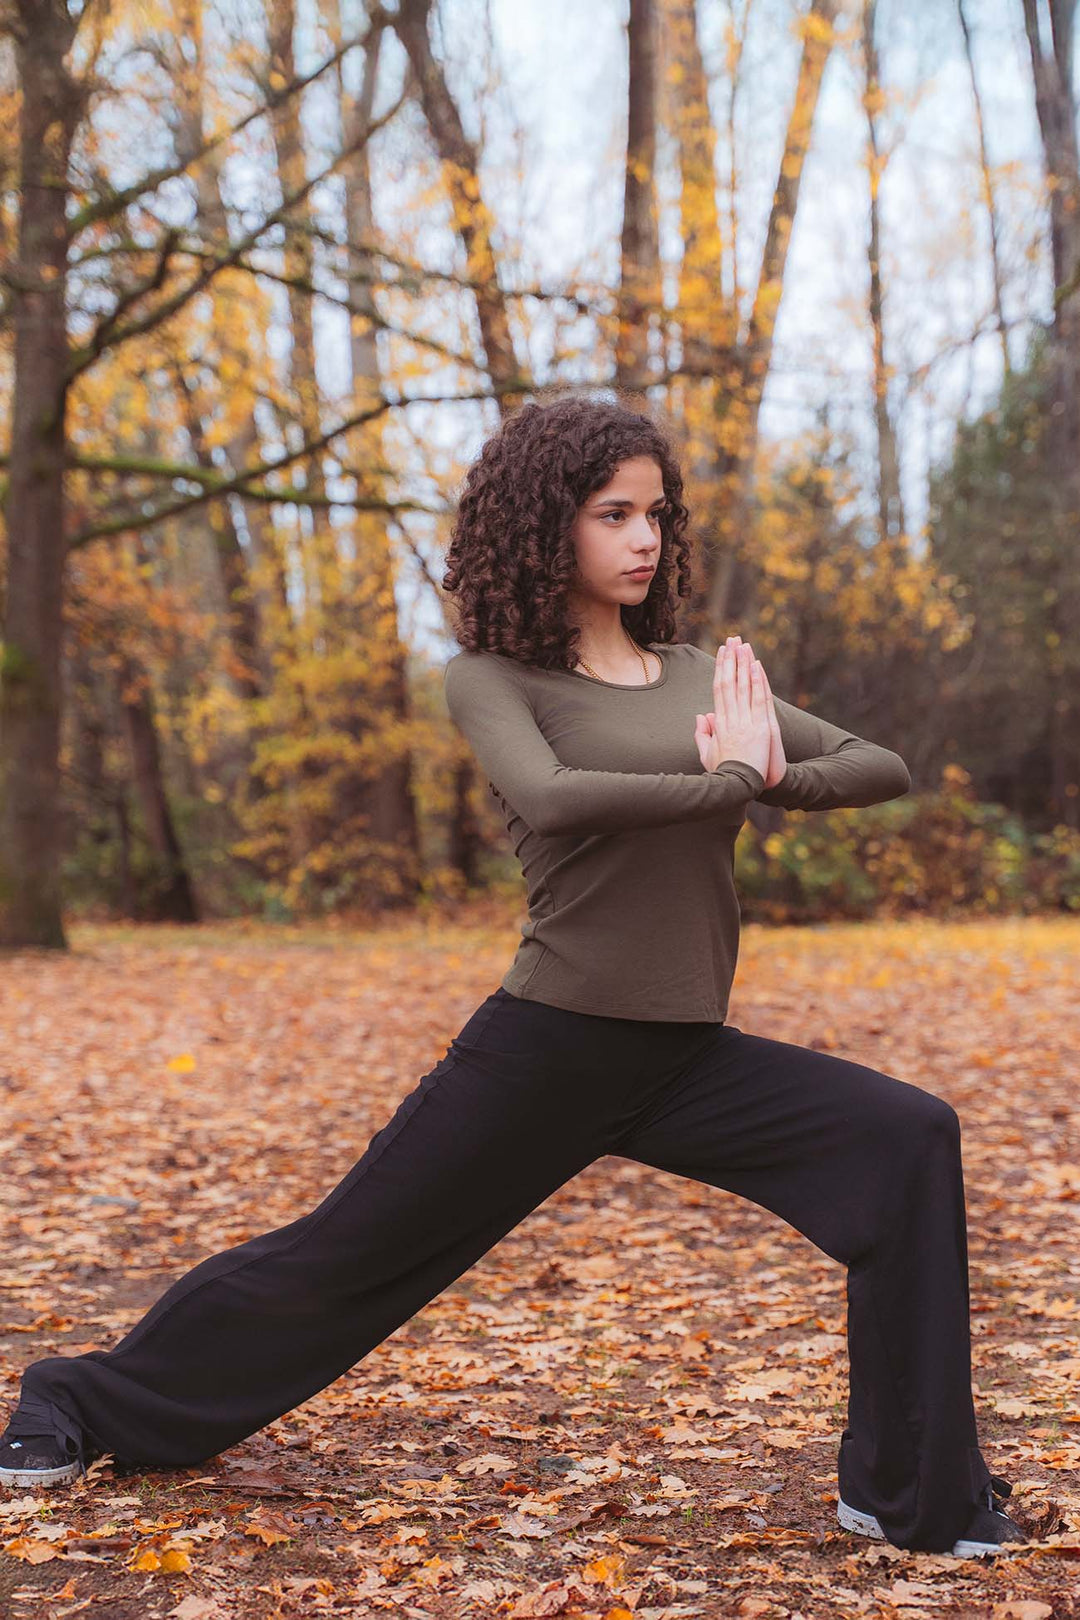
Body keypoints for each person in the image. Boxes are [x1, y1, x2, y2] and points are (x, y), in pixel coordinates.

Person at [0, 394, 1024, 1560]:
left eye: (656, 513)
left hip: (682, 1054)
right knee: (342, 1262)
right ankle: (76, 1399)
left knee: (905, 1138)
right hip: (548, 1046)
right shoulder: (494, 679)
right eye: (613, 514)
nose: (644, 537)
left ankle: (907, 1491)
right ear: (549, 529)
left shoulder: (700, 679)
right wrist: (731, 780)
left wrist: (768, 766)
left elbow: (877, 765)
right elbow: (553, 797)